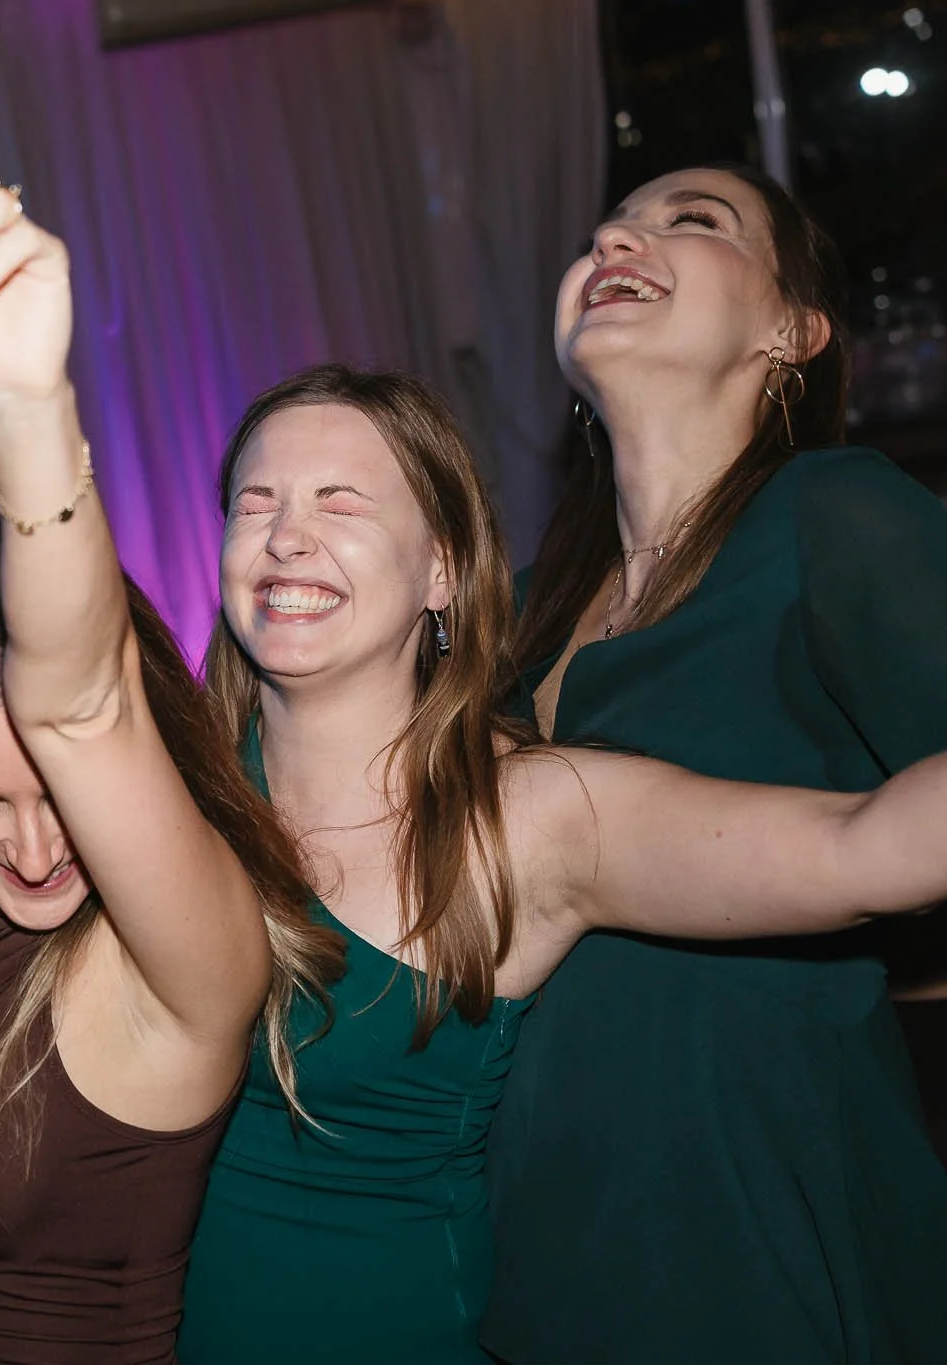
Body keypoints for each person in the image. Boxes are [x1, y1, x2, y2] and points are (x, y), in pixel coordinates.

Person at [168, 361, 947, 1365]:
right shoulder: (172, 787)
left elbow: (867, 850)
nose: (284, 535)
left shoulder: (528, 819)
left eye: (339, 501)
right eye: (253, 503)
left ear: (440, 570)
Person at [0, 70, 343, 1364]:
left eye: (60, 798)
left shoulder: (185, 954)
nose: (29, 852)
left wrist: (27, 410)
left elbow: (75, 698)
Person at [486, 162, 947, 1363]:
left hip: (754, 1237)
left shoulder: (828, 517)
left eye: (689, 221)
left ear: (789, 332)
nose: (613, 237)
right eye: (606, 227)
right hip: (525, 1245)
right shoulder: (513, 616)